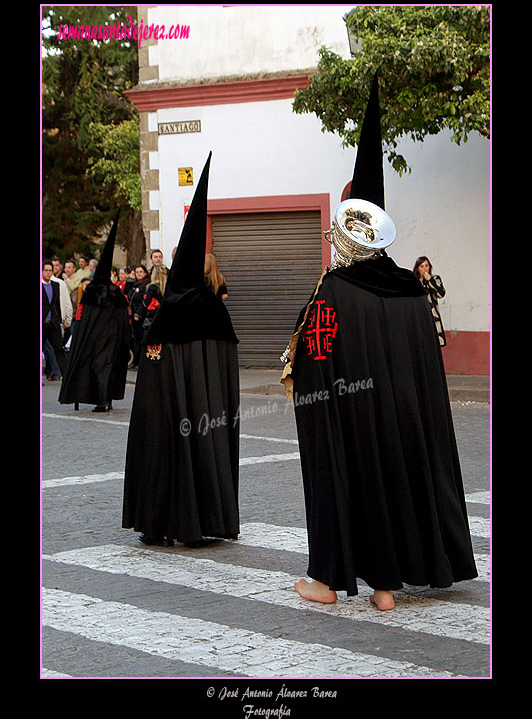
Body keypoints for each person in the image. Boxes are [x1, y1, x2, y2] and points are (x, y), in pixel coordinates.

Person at [281, 76, 477, 611]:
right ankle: (386, 586)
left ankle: (329, 580)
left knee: (349, 477)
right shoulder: (411, 290)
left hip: (351, 413)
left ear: (348, 231)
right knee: (395, 475)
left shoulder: (333, 290)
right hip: (407, 418)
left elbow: (309, 363)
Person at [122, 152, 240, 547]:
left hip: (169, 415)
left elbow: (152, 368)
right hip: (208, 419)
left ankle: (161, 521)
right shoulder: (215, 311)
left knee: (163, 450)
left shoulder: (170, 312)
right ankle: (206, 517)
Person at [59, 211, 131, 413]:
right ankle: (104, 399)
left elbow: (83, 319)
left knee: (99, 367)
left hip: (96, 339)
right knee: (106, 367)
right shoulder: (115, 293)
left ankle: (103, 400)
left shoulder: (93, 292)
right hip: (111, 339)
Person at [42, 261, 68, 378]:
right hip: (42, 322)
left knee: (59, 350)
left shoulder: (56, 285)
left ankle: (66, 376)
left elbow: (56, 304)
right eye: (46, 270)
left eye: (50, 271)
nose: (48, 273)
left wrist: (60, 319)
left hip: (53, 323)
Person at [413, 255, 447, 347]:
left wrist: (430, 280)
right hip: (418, 315)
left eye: (426, 265)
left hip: (432, 316)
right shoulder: (413, 281)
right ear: (417, 268)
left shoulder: (435, 279)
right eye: (422, 266)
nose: (424, 269)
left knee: (434, 344)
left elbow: (441, 294)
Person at [129, 264, 151, 369]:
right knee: (136, 338)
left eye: (141, 272)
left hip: (141, 315)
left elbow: (144, 300)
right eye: (137, 272)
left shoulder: (146, 285)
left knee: (141, 338)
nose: (138, 274)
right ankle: (136, 360)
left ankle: (140, 360)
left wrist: (139, 312)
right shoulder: (136, 284)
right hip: (133, 314)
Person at [136, 264, 168, 335]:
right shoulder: (167, 288)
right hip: (165, 318)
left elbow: (146, 302)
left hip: (153, 317)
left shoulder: (152, 287)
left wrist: (138, 314)